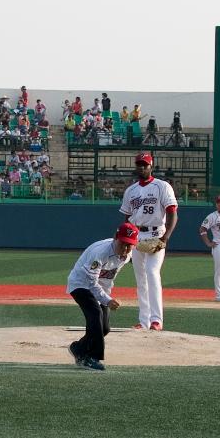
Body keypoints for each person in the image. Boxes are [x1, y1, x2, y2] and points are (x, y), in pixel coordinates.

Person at [67, 223, 139, 371]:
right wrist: (108, 300)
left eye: (130, 245)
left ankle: (79, 348)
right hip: (81, 284)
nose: (125, 249)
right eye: (123, 243)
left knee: (104, 328)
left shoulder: (126, 256)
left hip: (101, 288)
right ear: (115, 237)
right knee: (95, 313)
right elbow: (92, 284)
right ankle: (92, 357)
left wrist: (107, 296)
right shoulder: (100, 253)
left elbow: (108, 278)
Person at [119, 152, 178, 330]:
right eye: (139, 164)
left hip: (156, 234)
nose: (142, 167)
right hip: (137, 237)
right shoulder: (131, 190)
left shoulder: (162, 186)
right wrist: (127, 242)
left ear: (151, 166)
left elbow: (172, 213)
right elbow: (127, 219)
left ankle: (156, 320)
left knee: (152, 273)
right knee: (140, 279)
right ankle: (144, 321)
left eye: (145, 164)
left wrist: (165, 237)